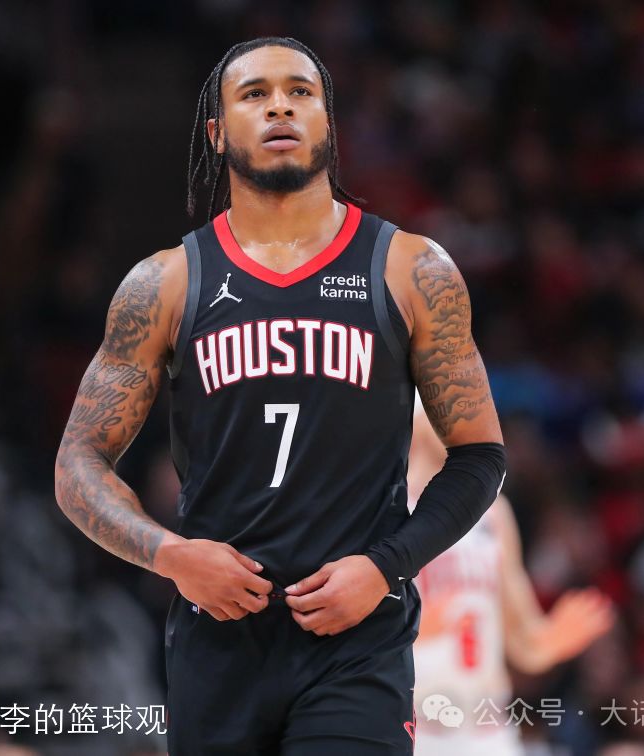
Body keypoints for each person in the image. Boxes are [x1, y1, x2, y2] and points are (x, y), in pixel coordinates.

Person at [54, 36, 507, 755]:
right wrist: (171, 556)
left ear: (329, 122)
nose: (280, 108)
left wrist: (386, 565)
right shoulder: (165, 284)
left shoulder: (412, 270)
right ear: (216, 132)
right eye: (255, 94)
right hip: (218, 645)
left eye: (300, 92)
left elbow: (480, 456)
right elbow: (78, 464)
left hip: (357, 642)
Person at [407, 391, 615, 755]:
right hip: (414, 721)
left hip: (486, 724)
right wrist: (409, 628)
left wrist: (551, 641)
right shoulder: (387, 509)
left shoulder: (493, 512)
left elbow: (523, 640)